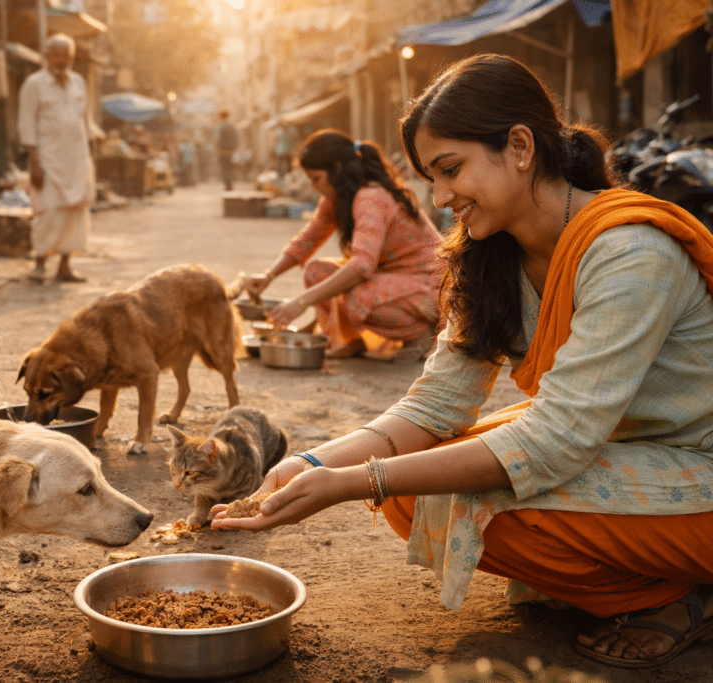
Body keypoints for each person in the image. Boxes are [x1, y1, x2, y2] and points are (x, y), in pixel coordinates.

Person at [214, 53, 713, 669]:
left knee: (463, 496)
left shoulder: (631, 253)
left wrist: (351, 483)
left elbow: (556, 438)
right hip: (619, 449)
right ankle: (628, 574)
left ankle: (680, 596)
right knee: (412, 490)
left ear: (521, 147)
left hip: (698, 463)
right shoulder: (492, 254)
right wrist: (308, 464)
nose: (440, 196)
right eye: (432, 176)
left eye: (450, 170)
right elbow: (434, 405)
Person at [243, 130, 442, 361]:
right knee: (317, 272)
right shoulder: (336, 199)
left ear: (336, 170)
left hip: (430, 285)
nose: (313, 186)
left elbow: (361, 267)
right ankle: (350, 341)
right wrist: (268, 276)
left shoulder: (371, 197)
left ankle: (420, 334)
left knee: (358, 296)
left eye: (315, 178)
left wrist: (300, 303)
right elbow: (306, 241)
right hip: (392, 279)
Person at [18, 33, 95, 284]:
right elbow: (26, 125)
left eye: (66, 55)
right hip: (47, 161)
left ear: (72, 58)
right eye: (57, 54)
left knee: (75, 213)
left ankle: (65, 266)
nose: (61, 60)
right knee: (47, 212)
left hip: (77, 160)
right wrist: (34, 164)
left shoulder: (79, 83)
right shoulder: (34, 84)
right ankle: (40, 265)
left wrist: (90, 158)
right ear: (47, 56)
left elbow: (86, 122)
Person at [215, 110, 239, 191]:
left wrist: (217, 149)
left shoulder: (220, 126)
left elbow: (217, 139)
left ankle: (227, 185)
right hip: (231, 151)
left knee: (224, 168)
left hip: (222, 151)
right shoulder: (232, 126)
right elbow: (237, 137)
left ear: (220, 116)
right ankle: (230, 184)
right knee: (230, 168)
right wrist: (235, 148)